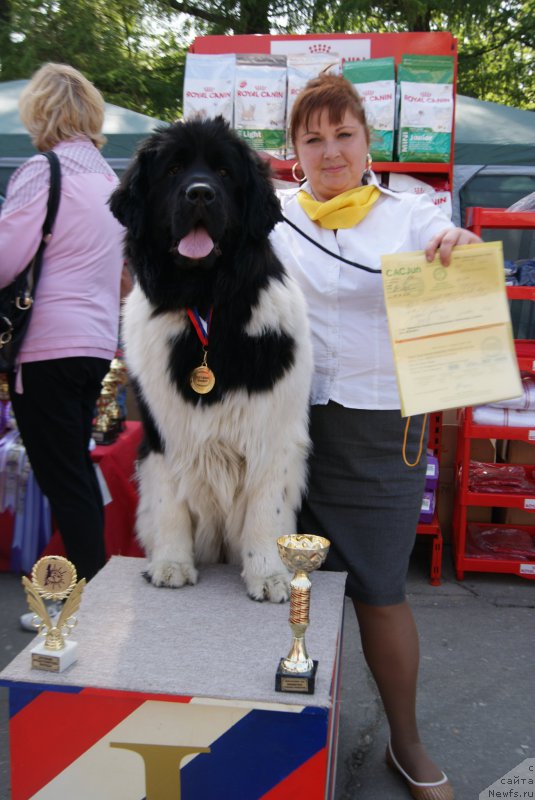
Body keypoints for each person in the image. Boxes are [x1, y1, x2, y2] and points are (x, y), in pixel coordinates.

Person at [270, 74, 482, 800]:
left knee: (379, 591)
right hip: (280, 427)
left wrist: (453, 242)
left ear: (367, 140)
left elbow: (443, 239)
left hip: (376, 429)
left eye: (343, 135)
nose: (330, 151)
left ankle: (406, 740)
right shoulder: (267, 216)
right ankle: (280, 735)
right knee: (275, 586)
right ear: (293, 150)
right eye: (313, 139)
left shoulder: (412, 214)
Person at [0, 63, 124, 624]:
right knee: (72, 470)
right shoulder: (111, 183)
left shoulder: (41, 171)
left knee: (65, 479)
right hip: (95, 345)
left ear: (40, 112)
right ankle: (74, 595)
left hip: (45, 347)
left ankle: (83, 606)